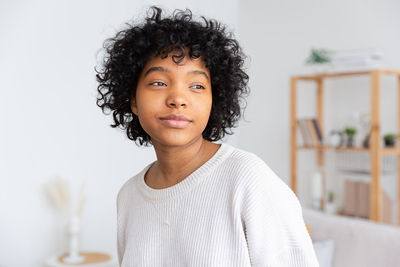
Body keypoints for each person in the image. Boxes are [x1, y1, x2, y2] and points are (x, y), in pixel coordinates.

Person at [96, 6, 319, 267]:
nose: (178, 99)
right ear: (133, 100)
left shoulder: (248, 181)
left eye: (197, 86)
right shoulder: (129, 197)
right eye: (159, 82)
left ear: (216, 99)